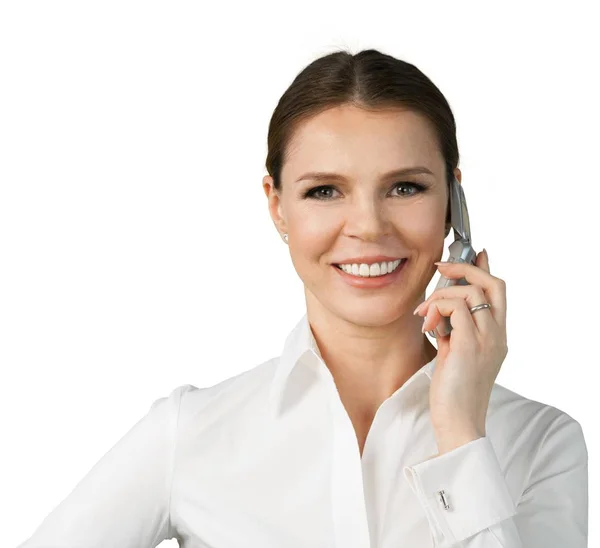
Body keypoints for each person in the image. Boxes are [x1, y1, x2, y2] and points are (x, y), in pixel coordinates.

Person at [16, 48, 587, 548]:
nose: (367, 225)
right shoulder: (188, 434)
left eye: (405, 186)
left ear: (452, 204)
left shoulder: (541, 444)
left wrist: (461, 433)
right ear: (277, 206)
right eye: (324, 191)